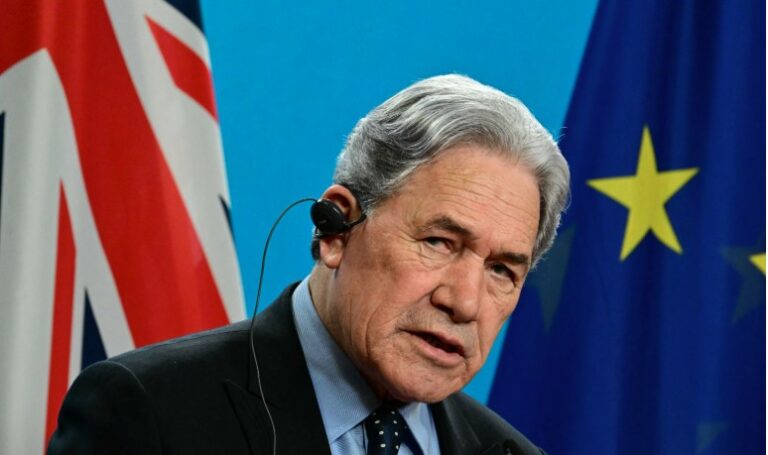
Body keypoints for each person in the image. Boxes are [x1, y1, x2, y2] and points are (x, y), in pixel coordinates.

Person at [48, 74, 570, 454]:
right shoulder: (150, 413)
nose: (465, 302)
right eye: (438, 242)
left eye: (502, 270)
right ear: (336, 229)